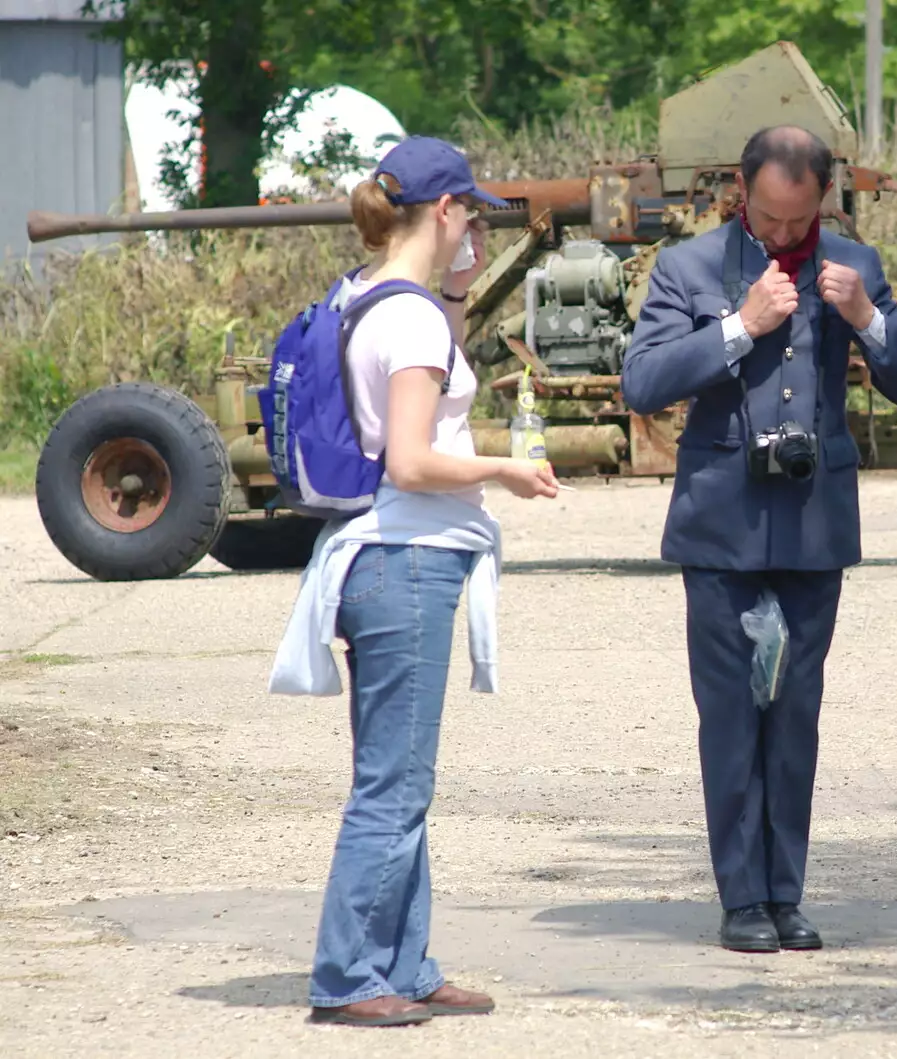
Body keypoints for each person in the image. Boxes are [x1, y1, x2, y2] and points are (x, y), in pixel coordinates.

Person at [622, 126, 897, 954]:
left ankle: (787, 894)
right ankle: (741, 899)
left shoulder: (856, 264)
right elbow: (643, 380)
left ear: (823, 201)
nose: (781, 235)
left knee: (795, 714)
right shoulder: (687, 266)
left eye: (797, 222)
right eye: (766, 218)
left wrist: (868, 318)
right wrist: (738, 327)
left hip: (813, 522)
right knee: (730, 716)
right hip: (719, 523)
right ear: (742, 189)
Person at [267, 136, 562, 1026]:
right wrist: (503, 471)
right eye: (469, 211)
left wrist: (461, 290)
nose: (474, 226)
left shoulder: (376, 296)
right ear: (445, 212)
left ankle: (405, 960)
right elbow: (411, 457)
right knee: (392, 786)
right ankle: (348, 973)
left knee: (399, 779)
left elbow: (429, 394)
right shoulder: (412, 320)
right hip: (405, 561)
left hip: (381, 560)